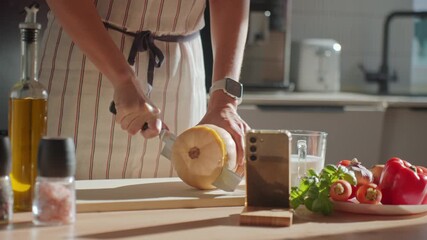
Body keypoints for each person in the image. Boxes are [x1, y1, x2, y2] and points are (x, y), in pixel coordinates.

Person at [40, 0, 250, 179]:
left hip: (182, 70)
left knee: (173, 211)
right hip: (83, 58)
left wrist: (224, 100)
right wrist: (123, 79)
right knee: (62, 201)